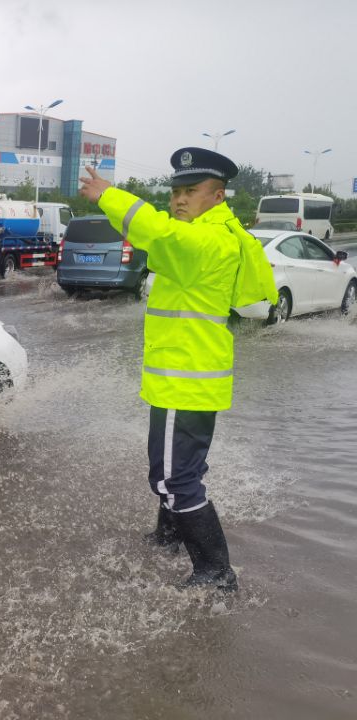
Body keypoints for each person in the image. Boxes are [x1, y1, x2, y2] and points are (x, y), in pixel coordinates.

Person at [78, 147, 278, 593]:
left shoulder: (207, 241)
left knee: (173, 477)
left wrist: (108, 195)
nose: (179, 200)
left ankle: (215, 573)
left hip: (183, 384)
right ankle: (168, 536)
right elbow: (164, 237)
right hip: (187, 381)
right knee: (181, 470)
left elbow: (158, 234)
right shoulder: (212, 234)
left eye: (191, 191)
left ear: (218, 195)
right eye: (175, 193)